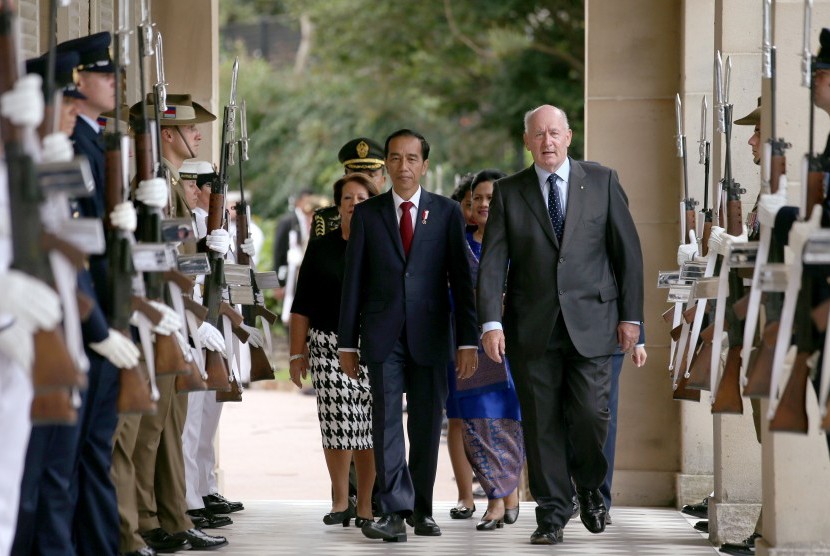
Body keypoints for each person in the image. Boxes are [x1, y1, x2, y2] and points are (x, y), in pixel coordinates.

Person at [477, 105, 644, 545]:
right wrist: (491, 322)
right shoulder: (510, 192)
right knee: (541, 422)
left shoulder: (602, 181)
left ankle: (588, 486)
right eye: (538, 134)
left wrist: (632, 318)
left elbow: (627, 253)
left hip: (595, 322)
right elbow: (493, 261)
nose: (547, 141)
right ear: (527, 140)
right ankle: (552, 513)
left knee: (592, 414)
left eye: (554, 133)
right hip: (532, 327)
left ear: (568, 137)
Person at [338, 129, 479, 543]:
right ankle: (395, 511)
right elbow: (354, 283)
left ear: (424, 165)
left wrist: (467, 340)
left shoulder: (447, 213)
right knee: (385, 423)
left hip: (432, 334)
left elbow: (460, 280)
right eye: (395, 158)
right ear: (386, 164)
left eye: (412, 158)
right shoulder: (369, 214)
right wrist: (348, 342)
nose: (403, 166)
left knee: (424, 424)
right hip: (383, 336)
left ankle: (422, 510)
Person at [120, 93, 229, 553]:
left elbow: (179, 256)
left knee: (167, 430)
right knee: (148, 435)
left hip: (177, 318)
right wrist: (189, 315)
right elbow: (156, 260)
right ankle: (143, 523)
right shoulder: (154, 184)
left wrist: (208, 248)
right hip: (162, 318)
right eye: (190, 128)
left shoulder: (166, 181)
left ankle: (171, 517)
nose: (199, 134)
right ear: (166, 134)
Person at [289, 173, 379, 527]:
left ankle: (367, 504)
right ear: (338, 206)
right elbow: (301, 305)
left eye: (362, 199)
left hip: (371, 345)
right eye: (347, 199)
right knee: (336, 425)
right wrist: (297, 356)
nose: (354, 205)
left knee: (368, 428)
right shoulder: (322, 247)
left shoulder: (381, 249)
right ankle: (341, 499)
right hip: (326, 346)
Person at [445, 169, 525, 532]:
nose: (482, 204)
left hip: (512, 348)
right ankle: (495, 498)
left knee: (507, 422)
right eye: (477, 197)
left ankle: (509, 494)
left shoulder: (520, 245)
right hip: (468, 347)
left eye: (490, 198)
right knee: (477, 423)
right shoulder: (456, 244)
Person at [600, 326, 646, 525]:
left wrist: (639, 339)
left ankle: (599, 499)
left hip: (606, 337)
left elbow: (632, 294)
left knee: (603, 419)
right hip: (554, 334)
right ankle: (566, 494)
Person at [312, 137, 387, 238]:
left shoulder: (395, 217)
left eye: (370, 176)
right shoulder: (325, 221)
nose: (363, 182)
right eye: (356, 176)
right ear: (345, 179)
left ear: (383, 180)